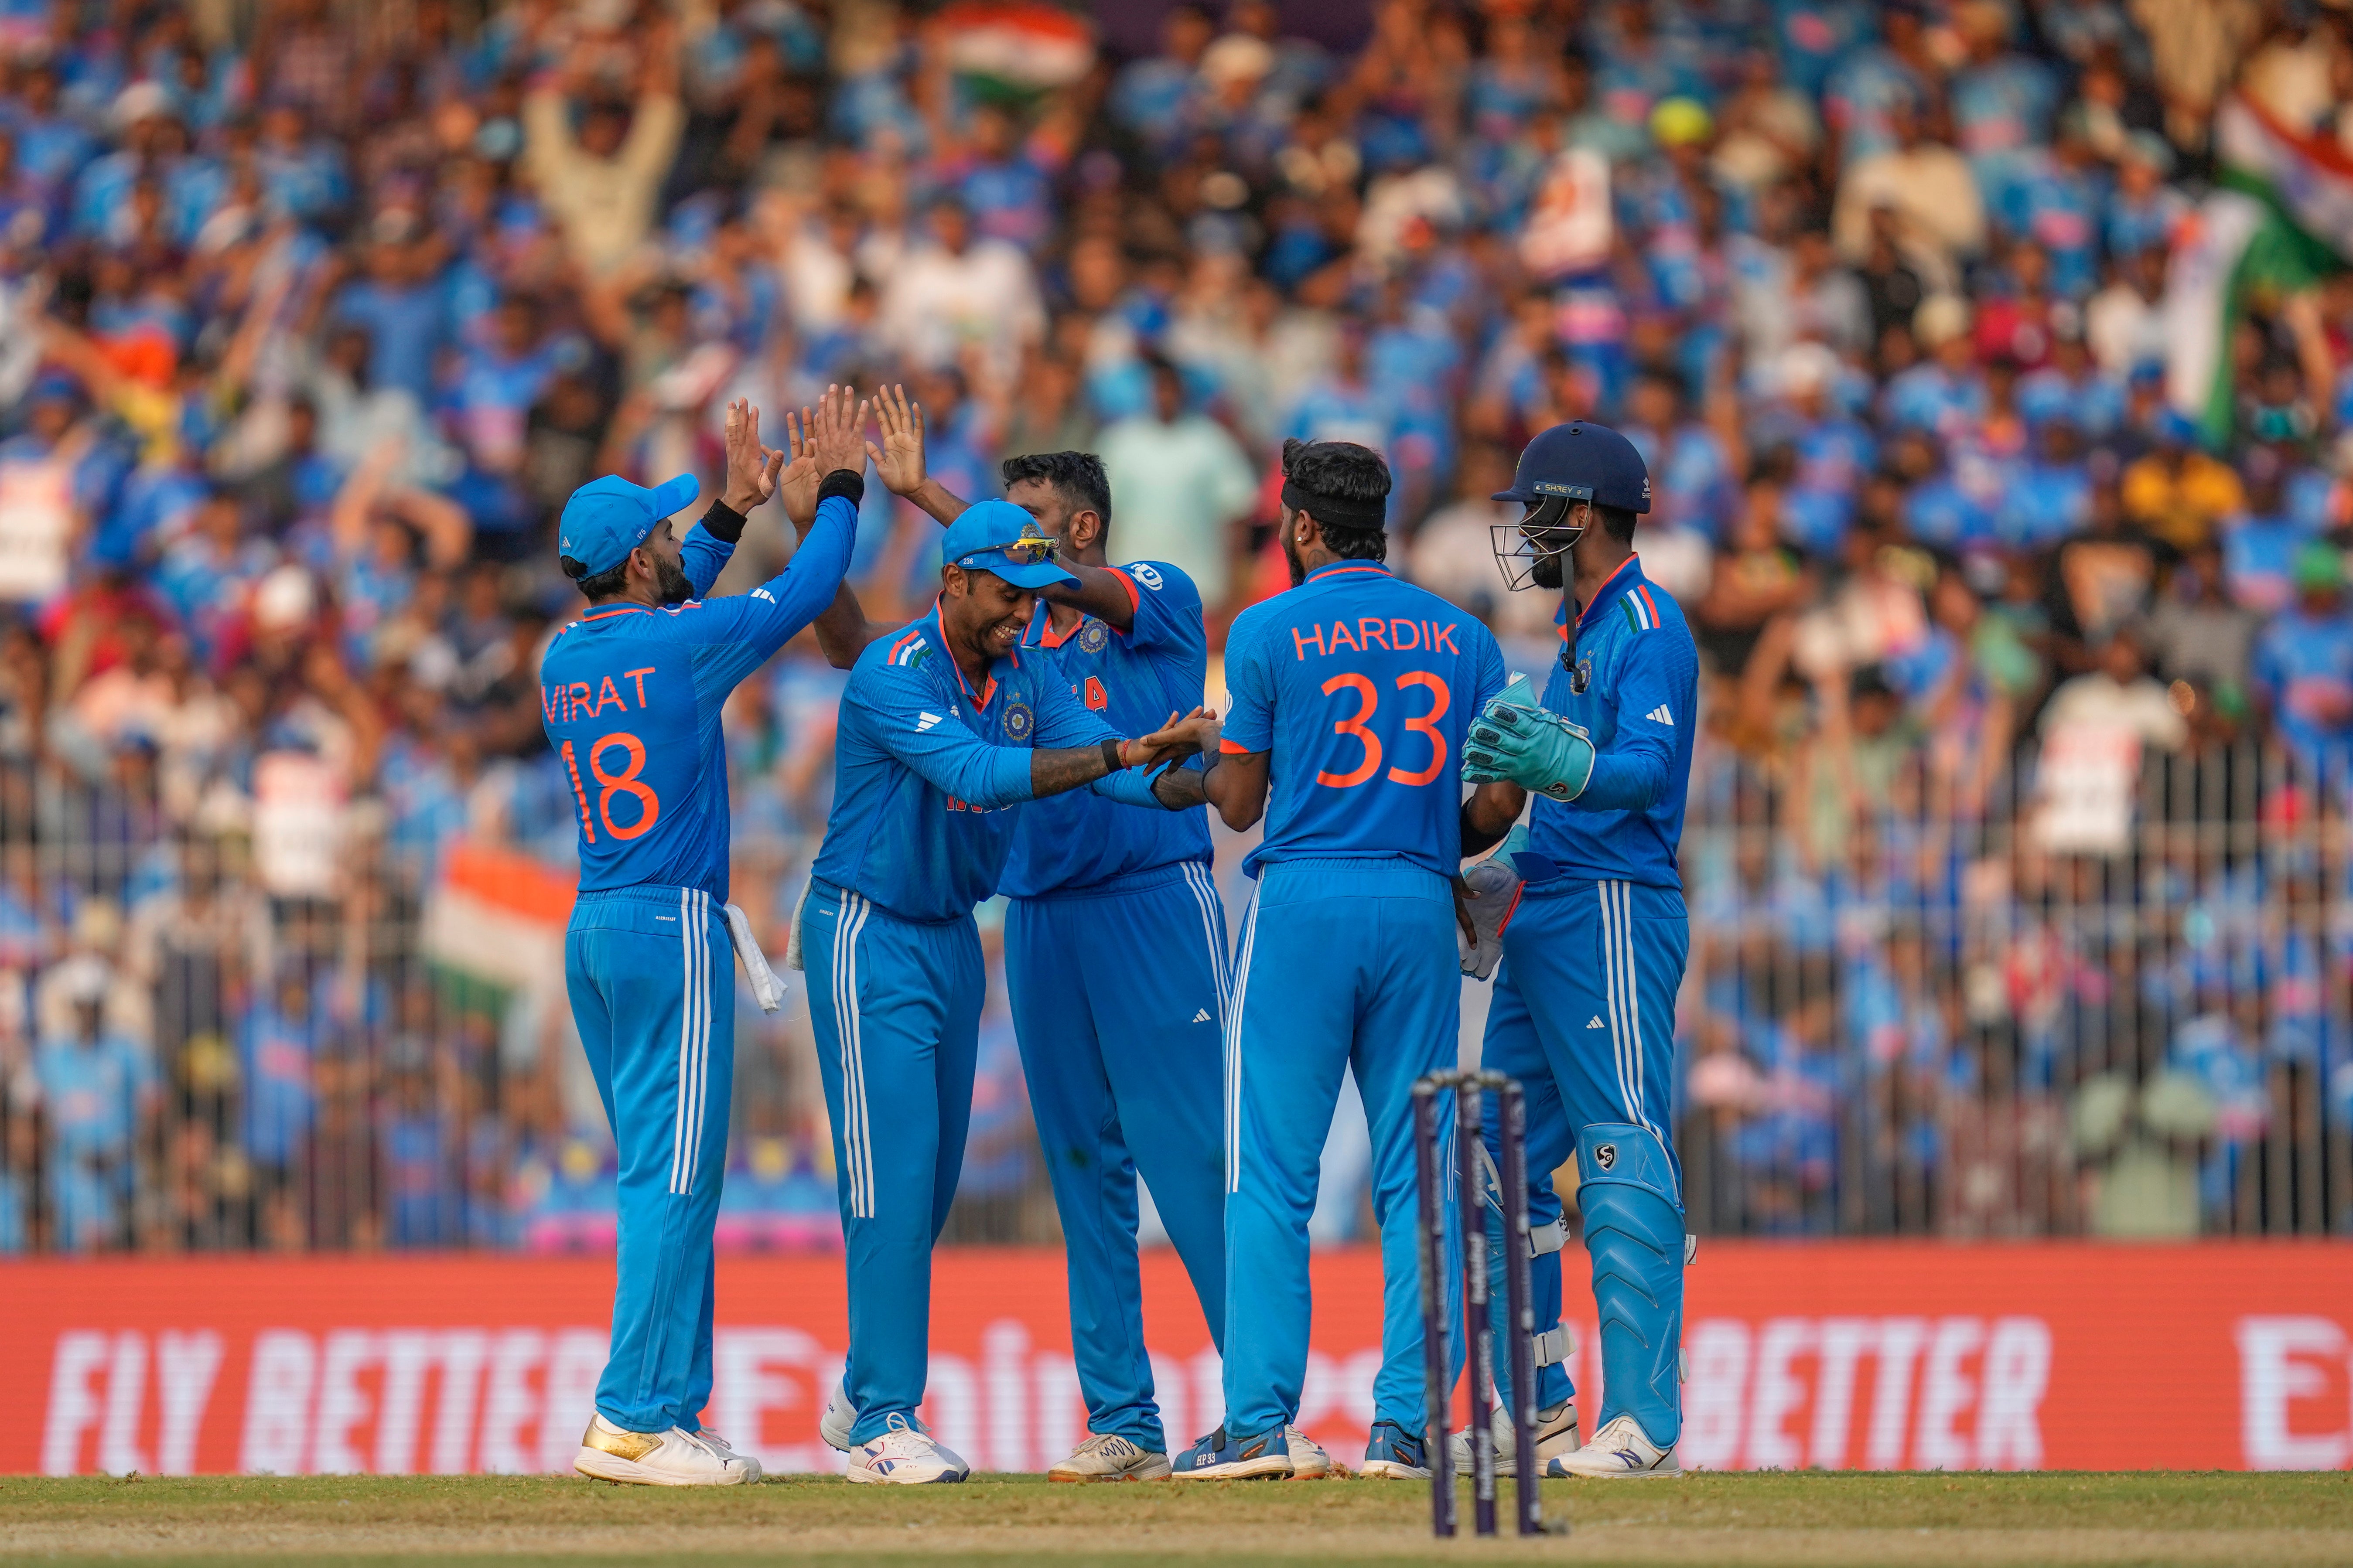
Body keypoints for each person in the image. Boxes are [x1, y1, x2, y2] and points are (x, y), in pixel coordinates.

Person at [826, 398, 1231, 1481]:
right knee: (1085, 1170)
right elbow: (903, 655)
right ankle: (1123, 1418)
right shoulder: (1016, 660)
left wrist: (924, 495)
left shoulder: (1155, 595)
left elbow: (1032, 591)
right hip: (1041, 915)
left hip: (1153, 900)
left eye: (1034, 525)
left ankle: (1263, 1401)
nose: (1019, 554)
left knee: (1194, 1160)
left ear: (1079, 531)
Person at [1173, 438, 1513, 1481]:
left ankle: (1260, 1424)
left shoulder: (1268, 627)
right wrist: (1414, 833)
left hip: (1305, 899)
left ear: (1305, 529)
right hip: (1416, 897)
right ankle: (1404, 1428)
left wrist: (1193, 750)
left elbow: (1237, 802)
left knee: (1271, 1171)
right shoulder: (1462, 637)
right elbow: (1493, 809)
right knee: (1419, 1176)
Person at [545, 392, 856, 1486]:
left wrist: (726, 507)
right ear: (637, 562)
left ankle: (671, 1404)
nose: (683, 544)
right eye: (668, 535)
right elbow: (807, 592)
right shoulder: (676, 649)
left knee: (666, 1171)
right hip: (672, 927)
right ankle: (629, 1418)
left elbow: (680, 615)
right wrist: (840, 491)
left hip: (598, 924)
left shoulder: (562, 660)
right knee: (671, 1182)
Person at [1458, 419, 1700, 1477]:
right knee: (1491, 1151)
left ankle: (1643, 1420)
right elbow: (1557, 791)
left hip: (1612, 905)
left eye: (1539, 510)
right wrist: (1502, 865)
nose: (1527, 530)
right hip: (1551, 903)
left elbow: (1646, 773)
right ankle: (1538, 1409)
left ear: (1586, 514)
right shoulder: (1576, 627)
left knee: (1618, 1144)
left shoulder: (1646, 623)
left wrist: (1561, 756)